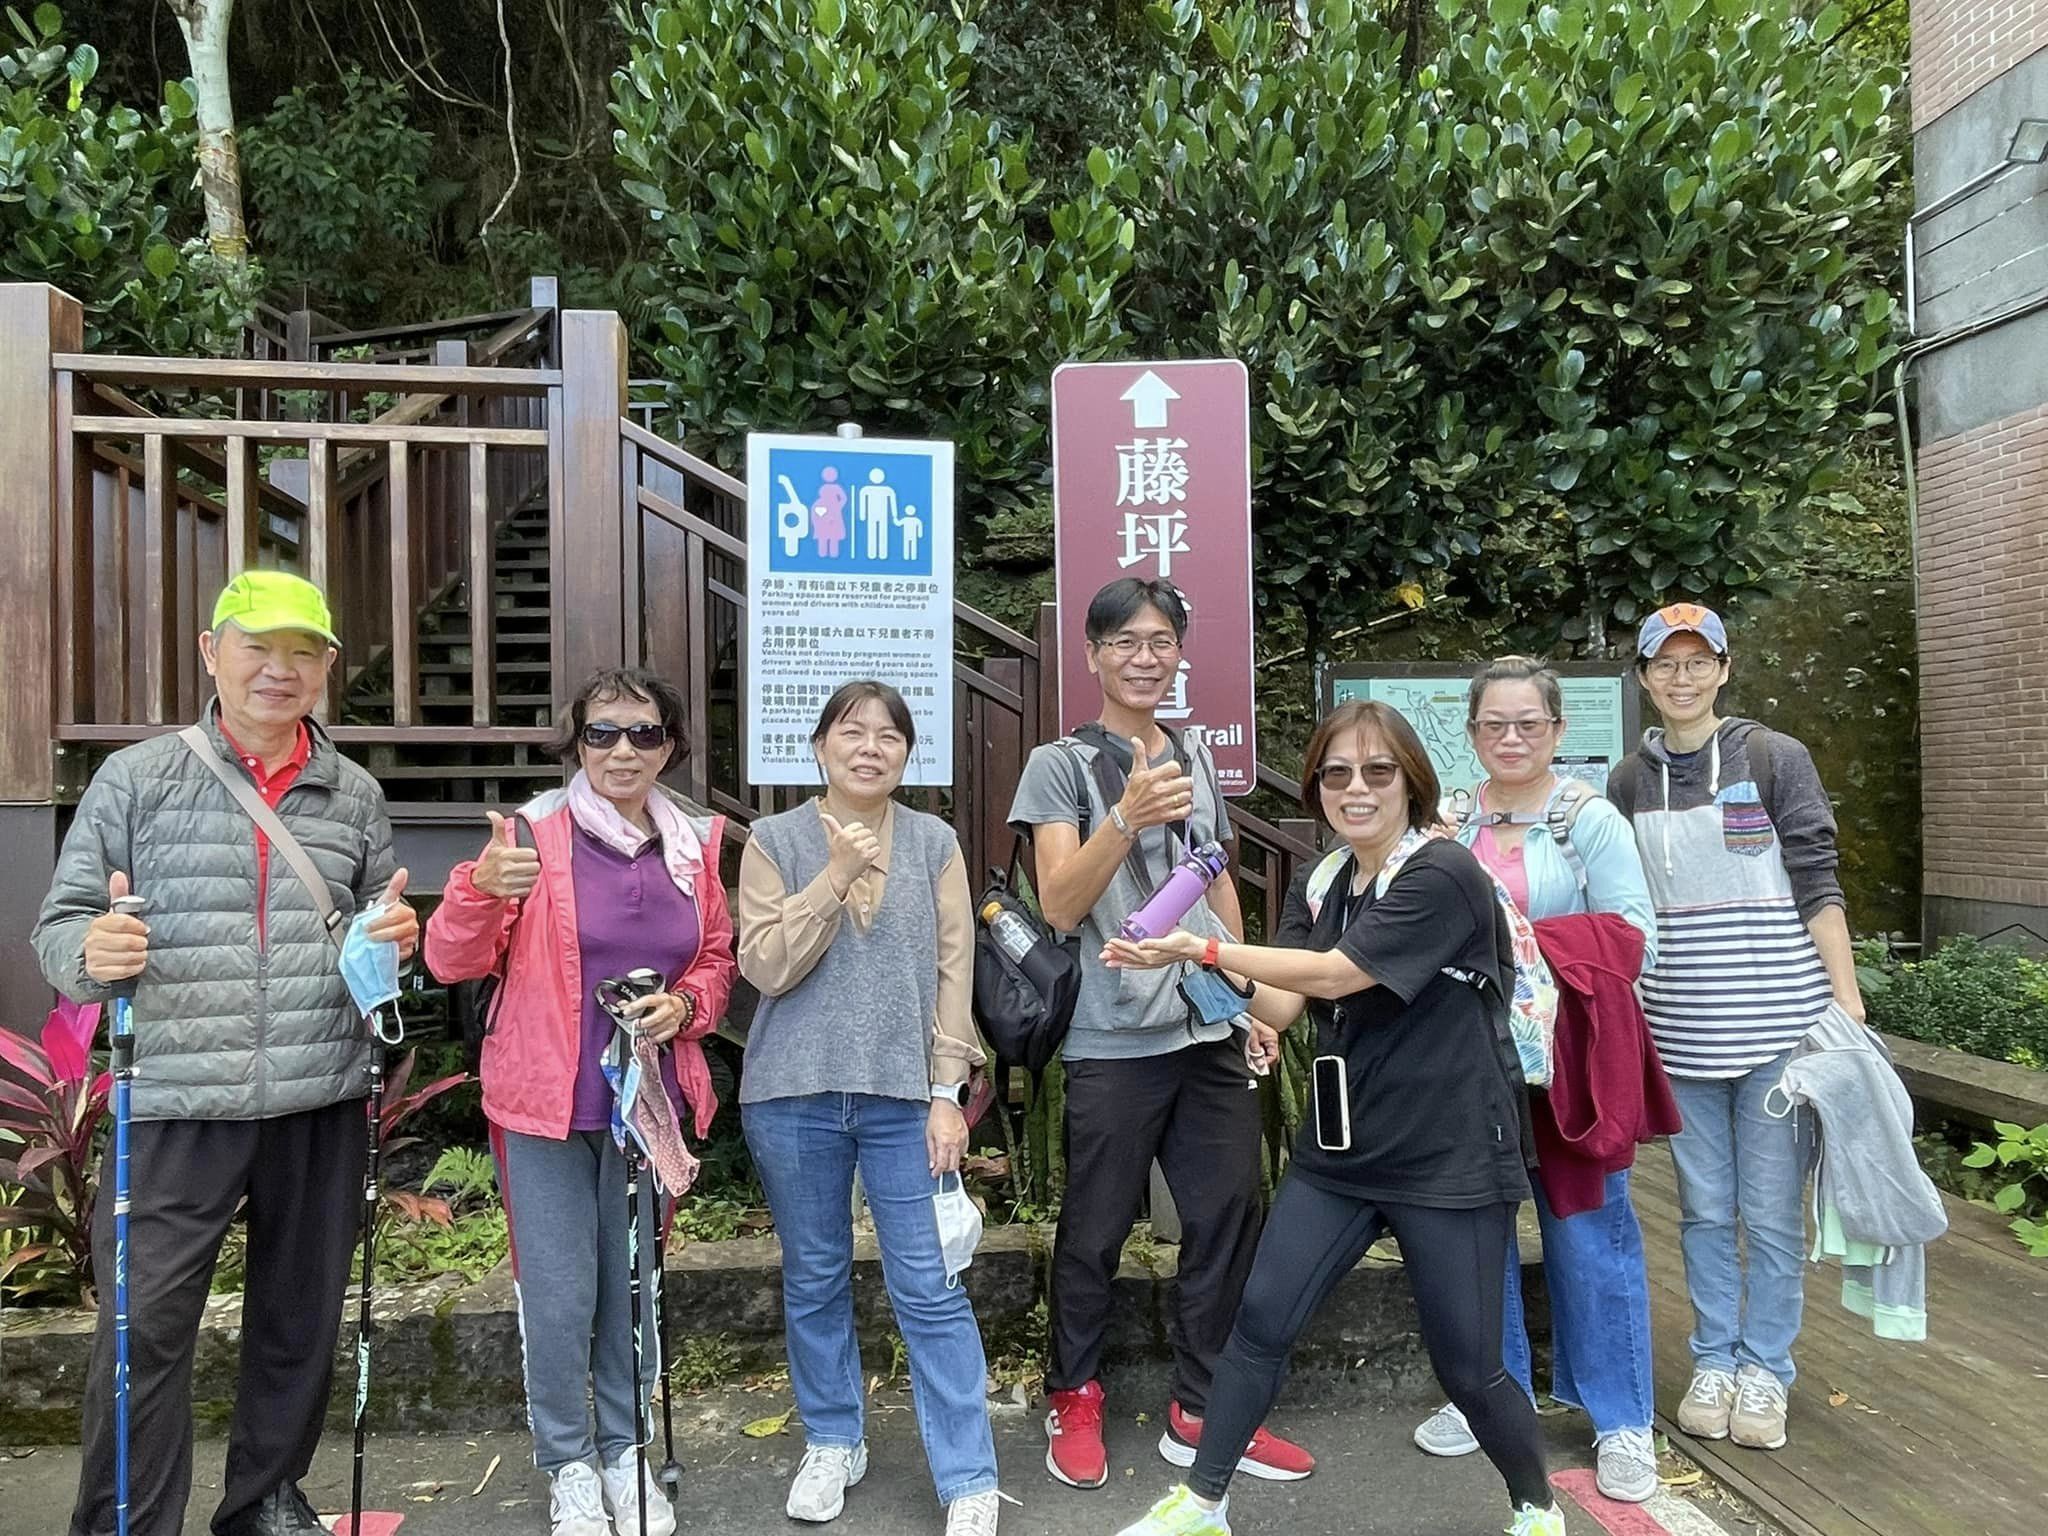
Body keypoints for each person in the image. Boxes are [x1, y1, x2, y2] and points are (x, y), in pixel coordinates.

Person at [1103, 700, 1565, 1536]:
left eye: (1378, 771)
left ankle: (1536, 1510)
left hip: (1450, 1155)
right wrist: (1192, 958)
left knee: (1468, 1367)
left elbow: (1340, 975)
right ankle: (1203, 1503)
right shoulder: (1323, 880)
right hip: (1343, 1151)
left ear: (1411, 783)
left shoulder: (1442, 875)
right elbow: (1282, 1002)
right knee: (1259, 1322)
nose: (1357, 788)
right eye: (1336, 773)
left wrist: (1202, 947)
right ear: (1316, 786)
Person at [32, 571, 419, 1536]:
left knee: (299, 1318)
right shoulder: (138, 780)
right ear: (212, 653)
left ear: (326, 668)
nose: (279, 669)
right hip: (176, 1096)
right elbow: (62, 923)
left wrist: (393, 939)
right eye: (258, 646)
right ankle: (125, 1519)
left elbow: (371, 930)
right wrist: (90, 952)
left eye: (303, 652)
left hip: (318, 1090)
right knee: (146, 1327)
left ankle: (264, 1502)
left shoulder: (354, 794)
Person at [1006, 577, 1313, 1490]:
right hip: (1111, 1038)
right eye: (1125, 642)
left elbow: (1215, 884)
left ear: (1179, 653)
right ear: (1093, 655)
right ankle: (1074, 1392)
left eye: (1160, 642)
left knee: (1227, 1217)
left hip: (1204, 1028)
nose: (1145, 658)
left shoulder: (1194, 757)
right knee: (1095, 1228)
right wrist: (1126, 817)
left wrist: (1247, 994)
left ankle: (1202, 1405)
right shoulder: (1059, 765)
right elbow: (1060, 905)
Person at [425, 667, 736, 1536]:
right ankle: (568, 1464)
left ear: (670, 746)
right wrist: (480, 889)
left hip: (647, 1106)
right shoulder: (530, 837)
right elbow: (450, 960)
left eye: (644, 732)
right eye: (602, 732)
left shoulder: (693, 846)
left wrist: (686, 1005)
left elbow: (715, 958)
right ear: (577, 744)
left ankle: (624, 1454)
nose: (623, 749)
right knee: (560, 1297)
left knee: (632, 1291)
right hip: (545, 1107)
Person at [735, 680, 1001, 1536]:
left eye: (890, 735)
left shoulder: (933, 842)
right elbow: (765, 966)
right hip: (793, 1093)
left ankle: (969, 1475)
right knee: (815, 1277)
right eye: (852, 732)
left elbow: (954, 970)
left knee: (928, 1284)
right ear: (819, 746)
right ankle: (832, 1441)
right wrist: (835, 877)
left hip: (904, 1101)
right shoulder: (774, 840)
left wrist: (946, 1093)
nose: (870, 748)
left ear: (906, 754)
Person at [1606, 603, 1863, 1453]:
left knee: (1773, 1213)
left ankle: (1767, 1369)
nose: (1681, 678)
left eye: (1697, 662)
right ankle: (1714, 1358)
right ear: (1644, 679)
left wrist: (1846, 998)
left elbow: (1817, 880)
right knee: (1706, 1211)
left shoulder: (1773, 757)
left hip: (1779, 1027)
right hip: (1680, 1032)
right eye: (1664, 664)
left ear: (1723, 668)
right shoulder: (1628, 781)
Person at [1410, 657, 1666, 1503]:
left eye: (1528, 723)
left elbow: (1635, 938)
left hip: (1573, 1063)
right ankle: (1494, 1398)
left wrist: (1518, 947)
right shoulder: (1449, 823)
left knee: (1590, 1236)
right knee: (1475, 1234)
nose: (1511, 738)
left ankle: (1621, 1419)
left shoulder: (1590, 821)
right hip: (1471, 1061)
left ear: (1558, 730)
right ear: (1472, 731)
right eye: (1494, 724)